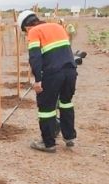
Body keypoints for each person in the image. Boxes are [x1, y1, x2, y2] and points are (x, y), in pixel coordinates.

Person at [18, 10, 78, 153]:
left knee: (46, 109)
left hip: (52, 74)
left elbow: (35, 57)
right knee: (66, 103)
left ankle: (48, 143)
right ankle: (69, 137)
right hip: (70, 71)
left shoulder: (34, 32)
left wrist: (38, 80)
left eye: (25, 32)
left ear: (26, 27)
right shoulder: (58, 27)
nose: (27, 35)